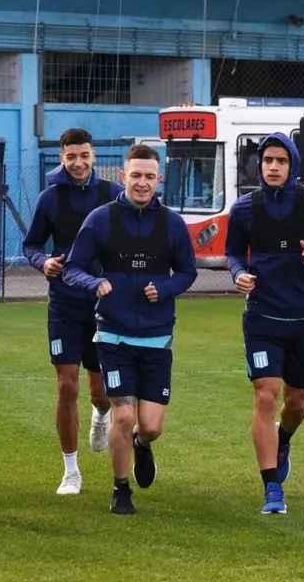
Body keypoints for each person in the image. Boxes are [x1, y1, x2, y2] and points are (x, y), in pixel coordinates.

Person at [62, 144, 197, 515]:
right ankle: (121, 489)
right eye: (135, 175)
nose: (142, 183)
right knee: (122, 415)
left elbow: (188, 272)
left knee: (150, 425)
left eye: (149, 176)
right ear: (123, 176)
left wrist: (165, 288)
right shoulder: (101, 219)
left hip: (157, 336)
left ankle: (143, 443)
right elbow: (73, 268)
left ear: (159, 179)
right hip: (113, 334)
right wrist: (94, 283)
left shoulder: (172, 223)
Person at [225, 132, 304, 514]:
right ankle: (272, 488)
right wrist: (238, 274)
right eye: (267, 161)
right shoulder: (244, 208)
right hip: (261, 316)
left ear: (293, 165)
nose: (273, 167)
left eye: (281, 160)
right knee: (265, 395)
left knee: (297, 403)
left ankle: (284, 438)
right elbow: (233, 254)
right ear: (259, 165)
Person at [22, 128, 118, 496]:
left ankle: (102, 413)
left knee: (100, 392)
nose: (78, 163)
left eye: (84, 155)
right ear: (62, 158)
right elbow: (32, 245)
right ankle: (71, 471)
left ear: (93, 156)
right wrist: (43, 261)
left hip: (104, 304)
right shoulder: (49, 198)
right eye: (71, 157)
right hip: (63, 305)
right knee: (66, 385)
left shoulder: (112, 194)